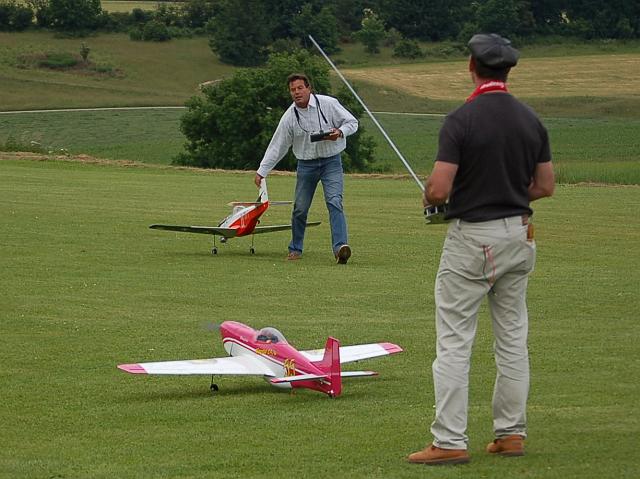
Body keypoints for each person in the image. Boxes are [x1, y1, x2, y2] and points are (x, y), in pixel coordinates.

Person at [408, 33, 555, 466]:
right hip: (519, 234)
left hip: (473, 238)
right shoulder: (532, 120)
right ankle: (511, 434)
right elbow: (544, 186)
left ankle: (450, 439)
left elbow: (437, 189)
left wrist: (432, 198)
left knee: (454, 341)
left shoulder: (461, 119)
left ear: (472, 66)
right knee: (512, 339)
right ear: (508, 70)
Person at [254, 73, 358, 264]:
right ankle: (295, 248)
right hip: (306, 165)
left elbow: (352, 122)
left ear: (309, 88)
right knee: (300, 208)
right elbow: (277, 146)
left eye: (300, 88)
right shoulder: (289, 117)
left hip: (331, 162)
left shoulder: (328, 104)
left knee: (335, 202)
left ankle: (340, 248)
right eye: (293, 90)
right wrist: (262, 171)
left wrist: (339, 132)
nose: (296, 93)